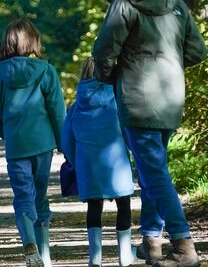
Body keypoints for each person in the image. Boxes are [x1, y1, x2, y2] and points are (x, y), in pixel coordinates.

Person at [92, 0, 207, 267]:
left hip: (137, 98)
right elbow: (198, 50)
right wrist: (170, 65)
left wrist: (110, 76)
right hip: (171, 97)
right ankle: (152, 242)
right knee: (154, 170)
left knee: (154, 174)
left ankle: (184, 246)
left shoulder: (125, 4)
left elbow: (103, 51)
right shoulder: (176, 3)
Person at [0, 18, 66, 267]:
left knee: (23, 196)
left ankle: (29, 243)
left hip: (16, 145)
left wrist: (6, 131)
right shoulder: (46, 70)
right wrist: (64, 145)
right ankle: (45, 256)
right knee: (40, 196)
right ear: (33, 42)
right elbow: (57, 112)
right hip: (43, 144)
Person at [61, 57, 136, 267]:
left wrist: (75, 161)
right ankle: (124, 255)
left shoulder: (76, 107)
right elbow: (128, 131)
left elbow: (67, 139)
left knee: (94, 208)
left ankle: (95, 258)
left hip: (88, 164)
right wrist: (134, 153)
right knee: (124, 205)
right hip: (117, 162)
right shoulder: (117, 100)